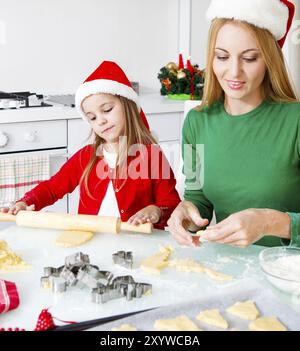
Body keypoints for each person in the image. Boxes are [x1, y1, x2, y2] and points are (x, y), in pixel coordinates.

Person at [168, 0, 300, 247]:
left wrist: (269, 222)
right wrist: (186, 212)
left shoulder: (296, 121)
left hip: (290, 275)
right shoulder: (196, 123)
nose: (234, 72)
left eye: (249, 58)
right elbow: (198, 197)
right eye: (222, 56)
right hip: (230, 272)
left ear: (270, 60)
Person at [0, 61, 181, 229]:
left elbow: (171, 203)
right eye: (92, 117)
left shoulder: (151, 156)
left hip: (136, 244)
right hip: (91, 242)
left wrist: (156, 211)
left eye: (107, 110)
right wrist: (25, 202)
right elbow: (51, 188)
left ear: (128, 106)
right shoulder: (86, 156)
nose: (100, 121)